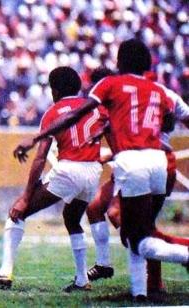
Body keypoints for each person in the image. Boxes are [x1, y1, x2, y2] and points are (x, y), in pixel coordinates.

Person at [13, 39, 189, 301]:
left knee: (136, 237)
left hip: (133, 161)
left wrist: (36, 139)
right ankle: (140, 293)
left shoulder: (111, 85)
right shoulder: (160, 90)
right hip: (160, 162)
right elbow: (173, 119)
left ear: (120, 62)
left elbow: (76, 115)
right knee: (126, 223)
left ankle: (182, 256)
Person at [0, 67, 106, 292]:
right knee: (72, 218)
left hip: (69, 169)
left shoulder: (53, 112)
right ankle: (82, 280)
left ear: (55, 90)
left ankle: (5, 273)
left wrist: (26, 197)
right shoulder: (95, 108)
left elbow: (40, 158)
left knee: (17, 212)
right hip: (94, 170)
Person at [85, 70, 189, 295]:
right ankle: (110, 266)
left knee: (133, 229)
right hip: (137, 163)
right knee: (96, 208)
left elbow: (137, 136)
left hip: (147, 162)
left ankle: (162, 271)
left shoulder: (121, 96)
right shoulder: (155, 93)